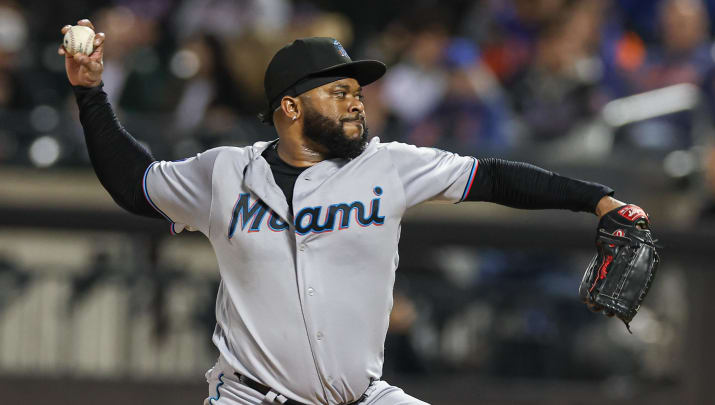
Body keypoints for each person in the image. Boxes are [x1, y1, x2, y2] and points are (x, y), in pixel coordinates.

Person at [60, 18, 634, 405]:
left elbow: (496, 177)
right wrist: (90, 92)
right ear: (289, 107)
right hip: (249, 396)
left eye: (357, 90)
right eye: (337, 91)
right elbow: (134, 183)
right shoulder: (225, 172)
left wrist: (597, 199)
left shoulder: (389, 166)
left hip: (362, 396)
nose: (356, 99)